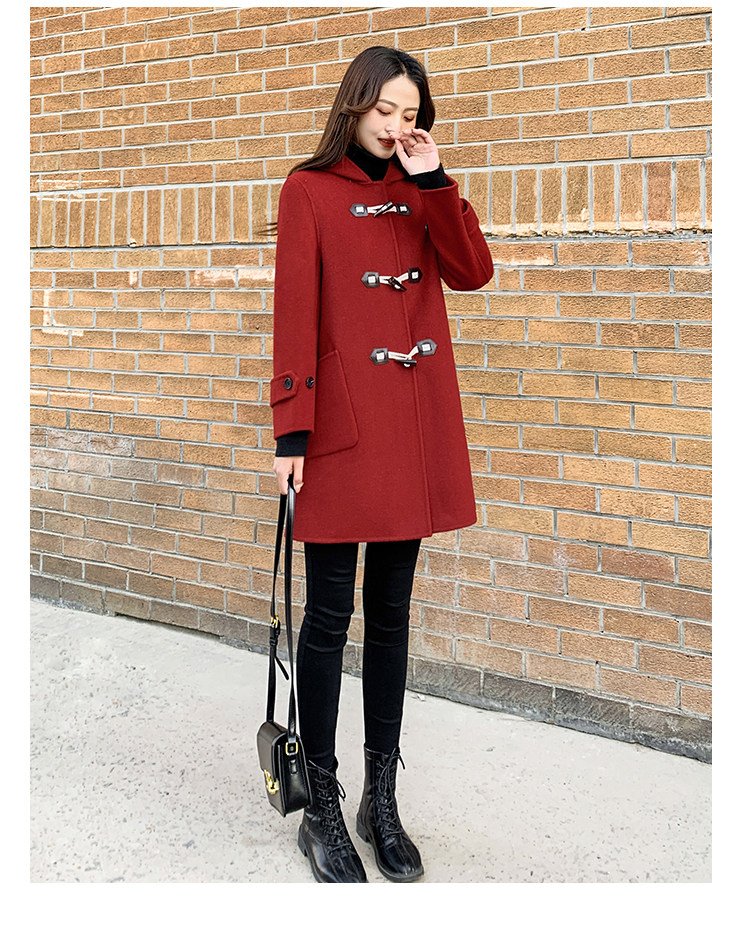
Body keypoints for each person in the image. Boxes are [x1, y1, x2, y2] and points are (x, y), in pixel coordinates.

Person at [269, 45, 494, 883]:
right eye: (385, 110)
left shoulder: (424, 189)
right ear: (355, 106)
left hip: (413, 430)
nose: (397, 126)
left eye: (410, 113)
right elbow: (294, 313)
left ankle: (381, 800)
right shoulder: (307, 189)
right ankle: (321, 806)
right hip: (340, 431)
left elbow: (472, 274)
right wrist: (291, 433)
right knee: (329, 618)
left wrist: (435, 183)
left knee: (391, 615)